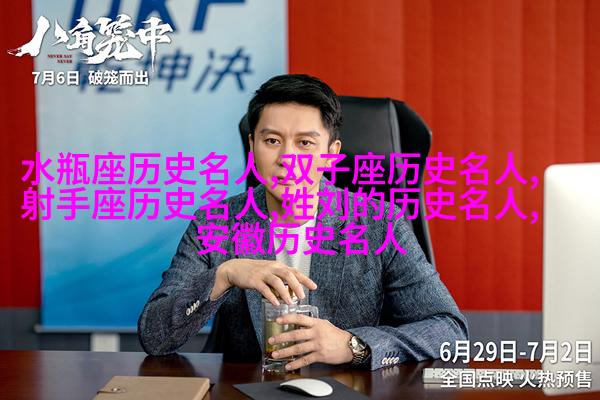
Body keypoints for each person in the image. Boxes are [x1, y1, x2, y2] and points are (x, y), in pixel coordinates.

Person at [138, 74, 468, 371]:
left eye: (305, 143)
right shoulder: (215, 224)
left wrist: (354, 345)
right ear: (252, 146)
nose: (287, 159)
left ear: (332, 153)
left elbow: (450, 330)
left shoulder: (380, 224)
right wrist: (223, 275)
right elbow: (154, 336)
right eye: (272, 141)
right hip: (249, 390)